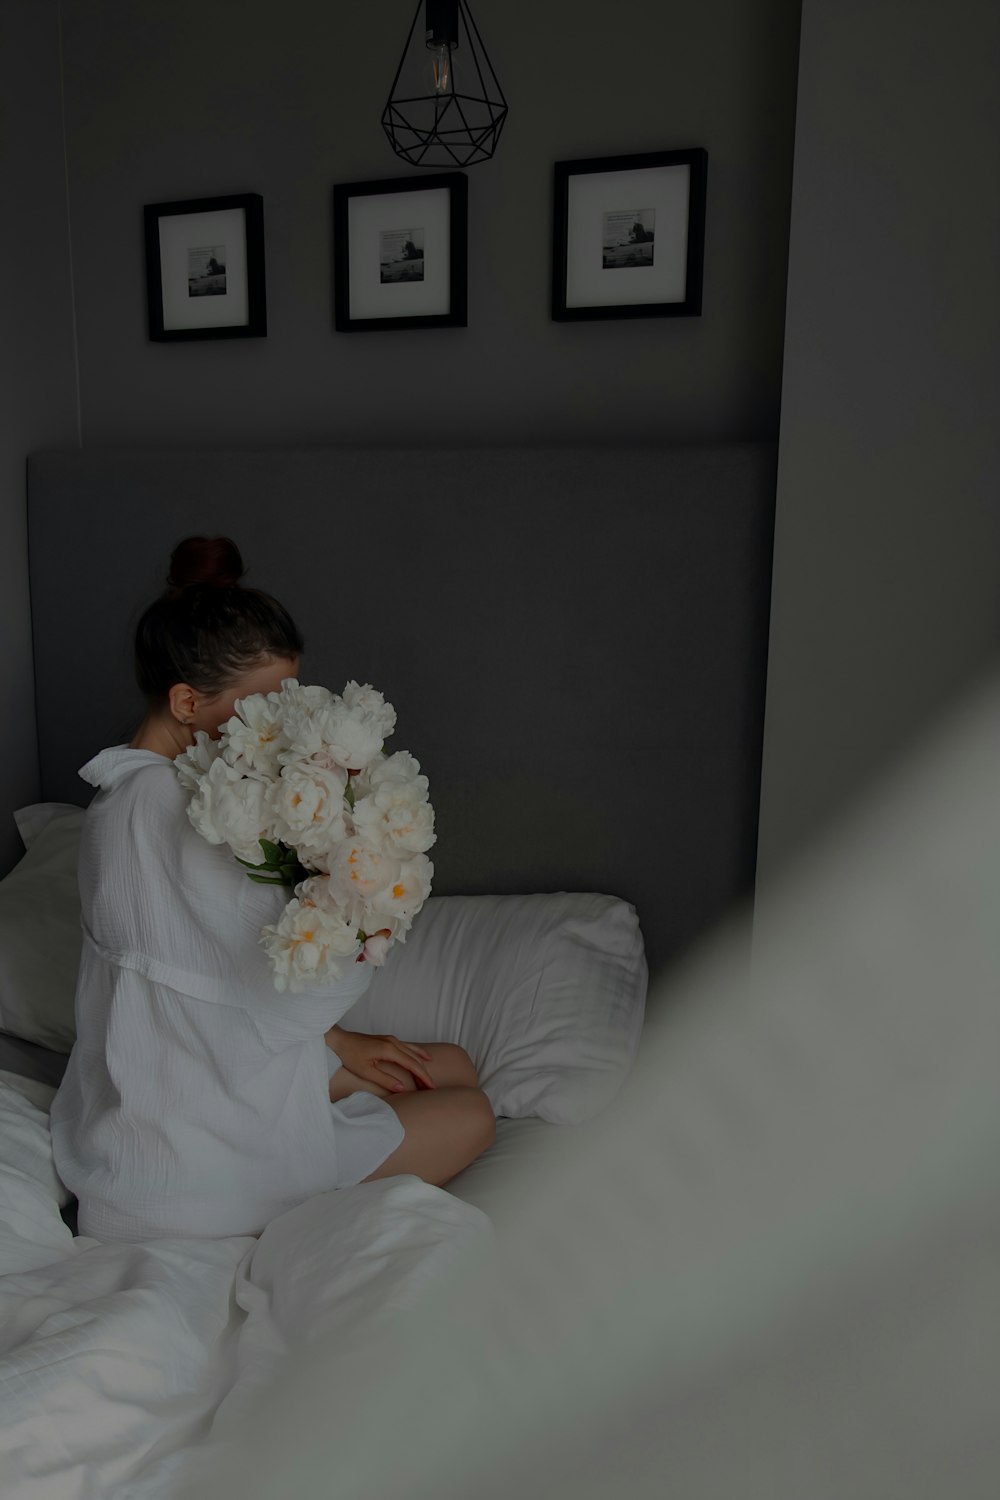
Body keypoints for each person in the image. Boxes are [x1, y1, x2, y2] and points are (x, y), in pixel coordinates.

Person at [50, 535, 495, 1241]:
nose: (276, 729)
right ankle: (275, 1197)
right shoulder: (170, 811)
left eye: (286, 703)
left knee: (455, 1066)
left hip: (211, 1063)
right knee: (469, 1111)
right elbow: (289, 980)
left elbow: (211, 972)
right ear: (187, 701)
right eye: (257, 709)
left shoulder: (130, 793)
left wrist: (339, 1043)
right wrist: (365, 886)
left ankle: (317, 1102)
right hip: (190, 1162)